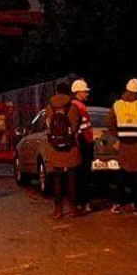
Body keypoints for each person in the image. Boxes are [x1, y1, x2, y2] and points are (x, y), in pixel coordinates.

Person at [42, 82, 89, 218]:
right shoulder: (73, 107)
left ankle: (58, 209)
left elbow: (48, 126)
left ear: (56, 92)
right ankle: (73, 208)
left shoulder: (49, 108)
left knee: (57, 179)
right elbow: (75, 127)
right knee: (71, 178)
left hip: (55, 147)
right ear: (69, 92)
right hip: (71, 147)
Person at [109, 78, 137, 212]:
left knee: (122, 175)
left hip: (124, 145)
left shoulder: (117, 105)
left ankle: (117, 203)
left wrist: (118, 134)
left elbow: (109, 122)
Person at [71, 78, 95, 212]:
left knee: (78, 175)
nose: (87, 94)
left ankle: (79, 202)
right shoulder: (79, 106)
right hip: (83, 143)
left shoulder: (73, 105)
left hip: (79, 143)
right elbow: (83, 128)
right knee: (84, 175)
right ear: (78, 92)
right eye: (85, 92)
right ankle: (84, 202)